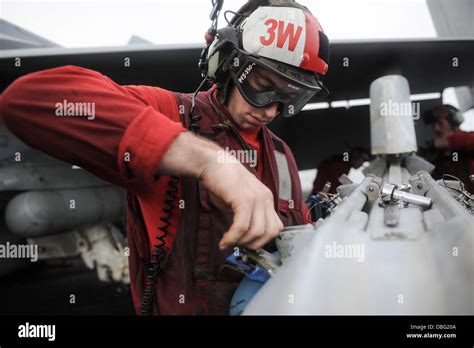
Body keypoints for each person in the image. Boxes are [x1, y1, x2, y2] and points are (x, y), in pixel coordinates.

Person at [0, 0, 329, 315]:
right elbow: (25, 99)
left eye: (290, 97)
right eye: (263, 85)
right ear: (227, 61)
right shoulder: (171, 113)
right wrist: (208, 161)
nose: (272, 110)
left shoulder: (281, 155)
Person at [421, 104, 474, 193]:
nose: (436, 128)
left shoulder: (468, 139)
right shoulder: (437, 154)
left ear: (454, 123)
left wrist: (443, 142)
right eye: (433, 125)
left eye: (440, 123)